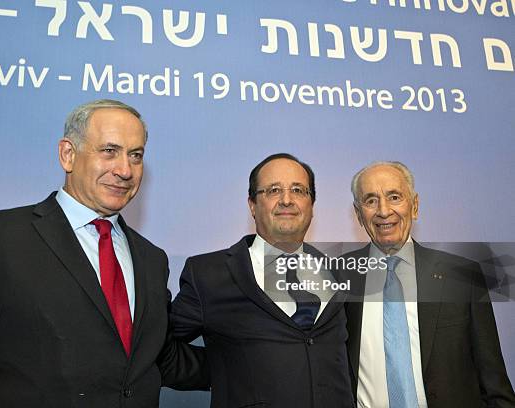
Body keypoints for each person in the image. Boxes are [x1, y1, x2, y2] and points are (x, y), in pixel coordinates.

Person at [0, 99, 207, 407]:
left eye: (136, 155)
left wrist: (253, 360)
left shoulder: (152, 259)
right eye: (109, 151)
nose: (125, 170)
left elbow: (161, 359)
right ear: (68, 154)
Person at [170, 153, 353, 408]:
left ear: (312, 205)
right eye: (273, 190)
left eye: (298, 190)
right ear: (252, 205)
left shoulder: (339, 272)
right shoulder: (208, 274)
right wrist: (222, 372)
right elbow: (157, 347)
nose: (287, 200)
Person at [345, 161, 515, 408]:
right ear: (359, 214)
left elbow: (494, 384)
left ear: (414, 206)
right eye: (370, 200)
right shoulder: (337, 278)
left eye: (394, 197)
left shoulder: (462, 277)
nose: (384, 211)